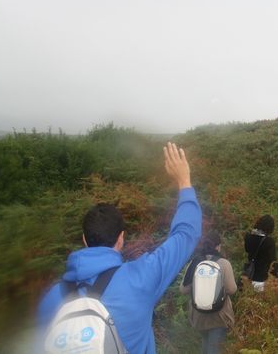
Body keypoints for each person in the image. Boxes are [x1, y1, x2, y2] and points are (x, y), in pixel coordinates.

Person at [36, 142, 202, 354]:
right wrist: (184, 181)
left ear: (84, 239)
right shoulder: (141, 278)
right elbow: (186, 234)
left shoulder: (50, 299)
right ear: (121, 238)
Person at [180, 231, 237, 354]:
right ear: (218, 246)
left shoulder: (195, 262)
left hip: (199, 316)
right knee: (214, 349)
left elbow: (183, 289)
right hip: (219, 317)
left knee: (205, 347)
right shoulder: (224, 264)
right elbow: (232, 289)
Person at [244, 215, 278, 292]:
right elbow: (273, 261)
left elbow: (247, 250)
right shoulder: (269, 242)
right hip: (262, 279)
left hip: (248, 276)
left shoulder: (248, 237)